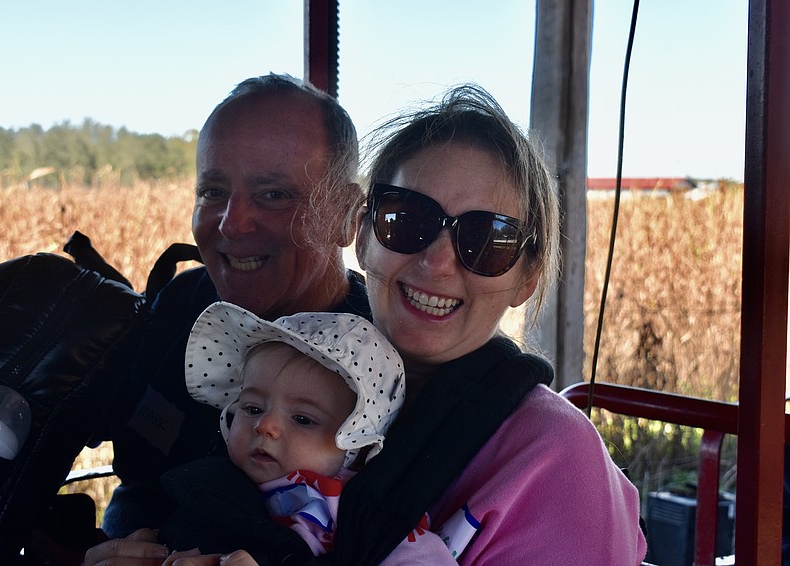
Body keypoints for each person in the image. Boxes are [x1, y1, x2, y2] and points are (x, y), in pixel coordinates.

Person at [87, 84, 648, 565]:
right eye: (407, 219)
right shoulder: (304, 387)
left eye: (486, 239)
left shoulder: (555, 460)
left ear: (526, 279)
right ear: (363, 234)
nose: (437, 261)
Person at [99, 73, 370, 539]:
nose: (232, 223)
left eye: (274, 194)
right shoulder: (179, 306)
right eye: (213, 192)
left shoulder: (379, 365)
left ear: (345, 215)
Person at [182, 301, 405, 556]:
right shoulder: (210, 478)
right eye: (253, 408)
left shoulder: (362, 522)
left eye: (302, 419)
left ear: (359, 447)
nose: (264, 426)